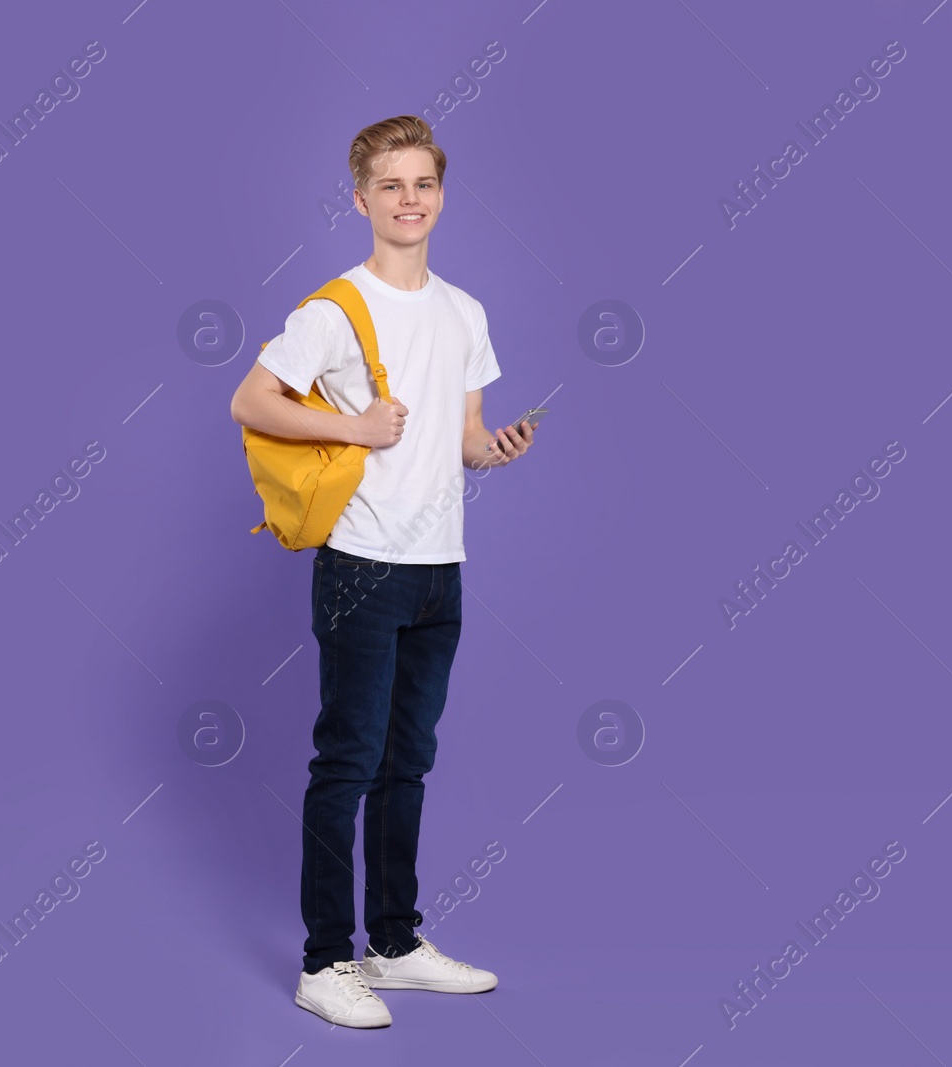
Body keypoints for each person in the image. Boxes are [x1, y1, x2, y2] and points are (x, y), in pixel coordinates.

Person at [229, 115, 537, 1028]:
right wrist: (354, 428)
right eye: (391, 185)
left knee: (409, 762)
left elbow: (467, 440)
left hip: (441, 566)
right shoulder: (335, 308)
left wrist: (495, 449)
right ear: (359, 198)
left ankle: (394, 944)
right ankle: (326, 962)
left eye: (424, 184)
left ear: (442, 195)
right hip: (362, 564)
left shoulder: (466, 311)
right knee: (349, 759)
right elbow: (250, 398)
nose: (410, 200)